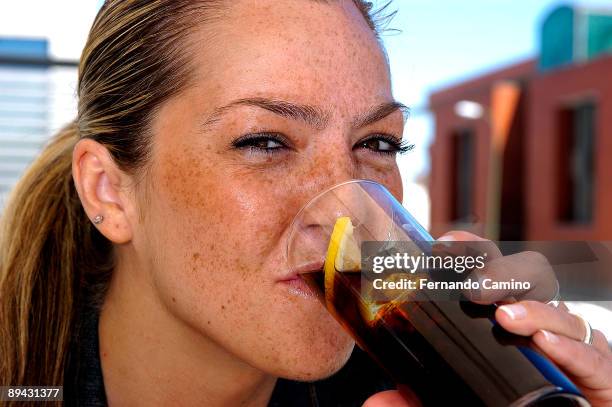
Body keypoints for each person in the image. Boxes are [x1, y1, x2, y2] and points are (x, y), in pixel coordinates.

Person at [0, 0, 610, 406]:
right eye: (264, 141)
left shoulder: (412, 382)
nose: (343, 211)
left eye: (377, 142)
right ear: (109, 191)